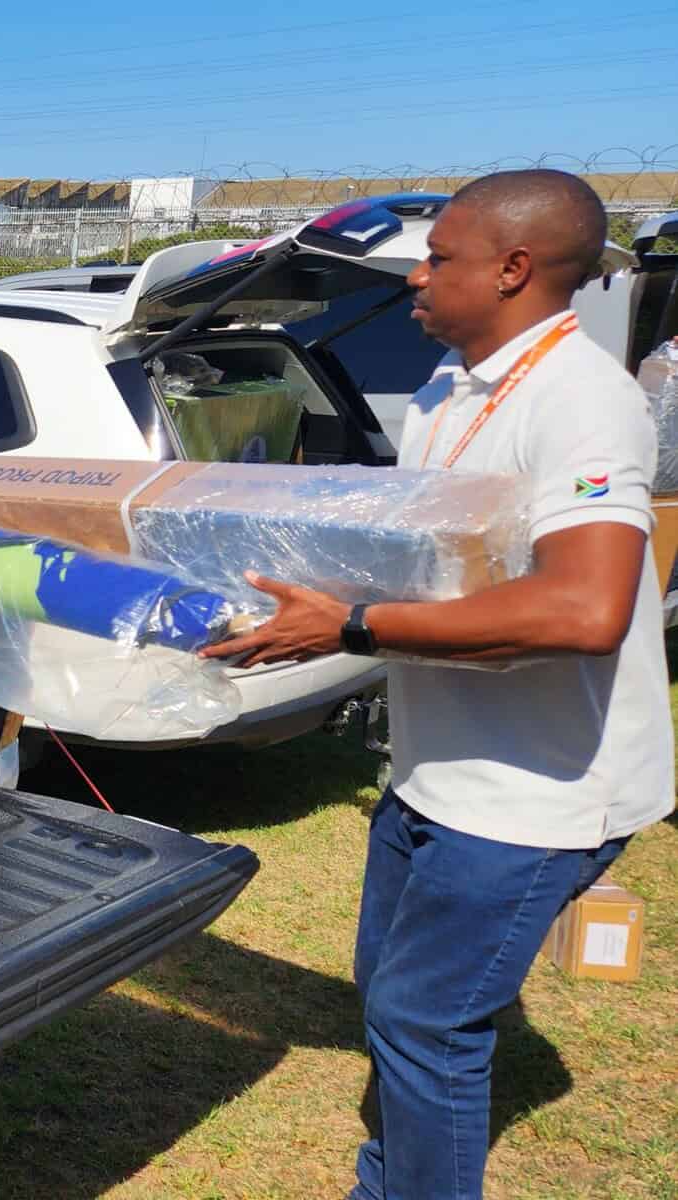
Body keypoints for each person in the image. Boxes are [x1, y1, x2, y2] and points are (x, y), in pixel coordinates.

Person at [202, 169, 674, 1200]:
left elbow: (583, 611)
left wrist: (356, 624)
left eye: (439, 258)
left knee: (424, 1017)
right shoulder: (444, 389)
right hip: (434, 769)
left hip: (536, 790)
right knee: (392, 993)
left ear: (512, 270)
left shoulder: (582, 404)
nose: (417, 276)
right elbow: (431, 563)